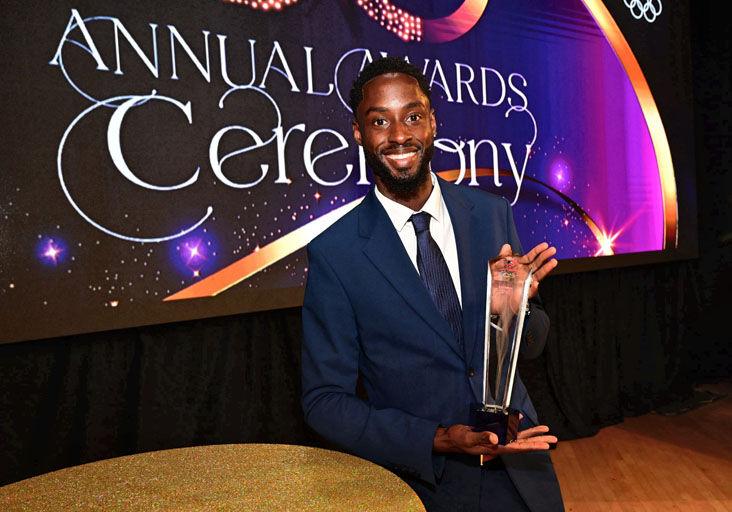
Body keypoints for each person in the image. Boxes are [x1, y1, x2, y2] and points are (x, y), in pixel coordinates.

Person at [301, 57, 564, 512]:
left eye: (413, 116)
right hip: (428, 485)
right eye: (379, 121)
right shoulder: (336, 254)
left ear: (433, 123)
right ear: (359, 134)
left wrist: (515, 307)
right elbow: (324, 401)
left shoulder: (491, 214)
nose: (399, 134)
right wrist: (438, 439)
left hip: (522, 466)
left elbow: (534, 342)